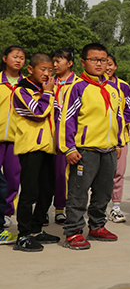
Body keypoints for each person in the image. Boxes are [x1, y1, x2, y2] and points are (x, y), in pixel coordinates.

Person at [58, 43, 123, 249]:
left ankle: (96, 226)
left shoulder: (113, 89)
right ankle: (73, 231)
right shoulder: (78, 87)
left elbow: (118, 118)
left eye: (103, 60)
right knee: (78, 192)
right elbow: (67, 119)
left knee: (103, 192)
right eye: (94, 60)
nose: (99, 64)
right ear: (83, 62)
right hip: (85, 150)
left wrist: (119, 141)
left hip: (109, 150)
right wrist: (69, 148)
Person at [12, 53, 60, 251]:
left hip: (48, 147)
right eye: (43, 69)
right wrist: (48, 93)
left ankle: (36, 228)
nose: (47, 73)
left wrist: (48, 93)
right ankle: (23, 235)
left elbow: (57, 112)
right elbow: (39, 112)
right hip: (30, 148)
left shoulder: (48, 90)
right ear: (31, 69)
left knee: (47, 190)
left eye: (50, 70)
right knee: (29, 192)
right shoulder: (21, 90)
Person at [106, 54, 130, 224]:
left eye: (110, 64)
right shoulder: (89, 85)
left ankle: (115, 207)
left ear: (115, 66)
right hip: (96, 138)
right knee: (98, 175)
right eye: (104, 63)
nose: (107, 67)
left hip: (119, 138)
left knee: (118, 173)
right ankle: (98, 208)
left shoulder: (123, 86)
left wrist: (116, 123)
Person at [1, 45, 26, 230]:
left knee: (13, 177)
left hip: (17, 139)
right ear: (4, 58)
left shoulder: (27, 84)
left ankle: (7, 212)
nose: (18, 60)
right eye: (14, 56)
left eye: (22, 58)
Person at [51, 47, 78, 225]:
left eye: (58, 61)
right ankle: (43, 208)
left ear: (69, 63)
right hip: (48, 134)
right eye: (53, 61)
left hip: (68, 135)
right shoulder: (48, 82)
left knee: (65, 174)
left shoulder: (78, 84)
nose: (54, 65)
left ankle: (62, 208)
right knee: (45, 174)